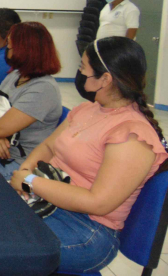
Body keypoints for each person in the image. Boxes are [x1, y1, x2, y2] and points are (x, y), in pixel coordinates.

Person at [10, 37, 168, 274]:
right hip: (49, 203)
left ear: (105, 79)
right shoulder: (87, 109)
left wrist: (30, 181)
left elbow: (98, 203)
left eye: (83, 67)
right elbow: (48, 147)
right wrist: (25, 171)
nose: (79, 72)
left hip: (87, 231)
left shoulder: (132, 135)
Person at [0, 22, 62, 180]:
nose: (6, 50)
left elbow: (0, 128)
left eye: (10, 47)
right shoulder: (16, 75)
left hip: (16, 163)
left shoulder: (43, 88)